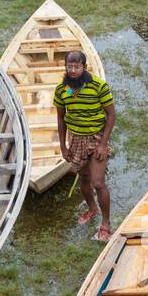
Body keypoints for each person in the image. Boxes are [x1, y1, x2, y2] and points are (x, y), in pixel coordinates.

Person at [54, 50, 115, 241]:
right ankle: (92, 209)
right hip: (75, 140)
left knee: (98, 182)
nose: (72, 70)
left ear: (84, 67)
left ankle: (105, 223)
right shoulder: (62, 90)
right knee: (84, 178)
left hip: (96, 138)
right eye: (69, 67)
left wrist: (103, 144)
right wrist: (64, 146)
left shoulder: (98, 86)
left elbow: (111, 115)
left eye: (76, 67)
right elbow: (61, 118)